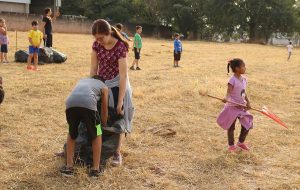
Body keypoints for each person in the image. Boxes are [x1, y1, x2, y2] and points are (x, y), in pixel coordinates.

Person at [90, 19, 134, 167]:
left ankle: (116, 152)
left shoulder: (120, 46)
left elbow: (123, 76)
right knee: (96, 115)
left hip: (117, 84)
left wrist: (120, 101)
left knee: (117, 117)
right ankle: (90, 145)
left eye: (101, 38)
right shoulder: (97, 45)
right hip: (101, 83)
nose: (99, 41)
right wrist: (91, 88)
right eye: (96, 39)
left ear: (109, 33)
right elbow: (93, 69)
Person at [60, 76, 109, 177]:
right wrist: (103, 124)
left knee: (72, 133)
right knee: (98, 132)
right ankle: (95, 169)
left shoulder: (82, 80)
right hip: (89, 104)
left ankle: (69, 167)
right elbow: (104, 109)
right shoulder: (104, 86)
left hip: (70, 104)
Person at [217, 59, 253, 152]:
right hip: (232, 106)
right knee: (231, 127)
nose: (245, 68)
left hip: (241, 106)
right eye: (243, 66)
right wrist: (226, 98)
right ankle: (231, 145)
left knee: (247, 124)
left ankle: (240, 142)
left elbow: (243, 93)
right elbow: (228, 92)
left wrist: (248, 102)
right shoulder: (232, 80)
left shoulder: (244, 79)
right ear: (237, 68)